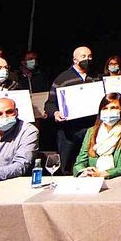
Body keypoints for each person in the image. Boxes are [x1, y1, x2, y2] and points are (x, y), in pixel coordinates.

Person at [45, 46, 98, 175]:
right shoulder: (62, 78)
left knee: (89, 163)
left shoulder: (96, 77)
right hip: (69, 131)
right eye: (83, 56)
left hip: (91, 128)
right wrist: (55, 113)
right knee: (66, 165)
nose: (87, 59)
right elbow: (50, 104)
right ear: (75, 60)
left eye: (89, 56)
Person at [73, 93, 121, 178]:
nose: (109, 111)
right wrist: (84, 172)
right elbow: (80, 163)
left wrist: (103, 174)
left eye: (114, 108)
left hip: (118, 179)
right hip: (92, 179)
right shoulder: (91, 131)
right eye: (105, 108)